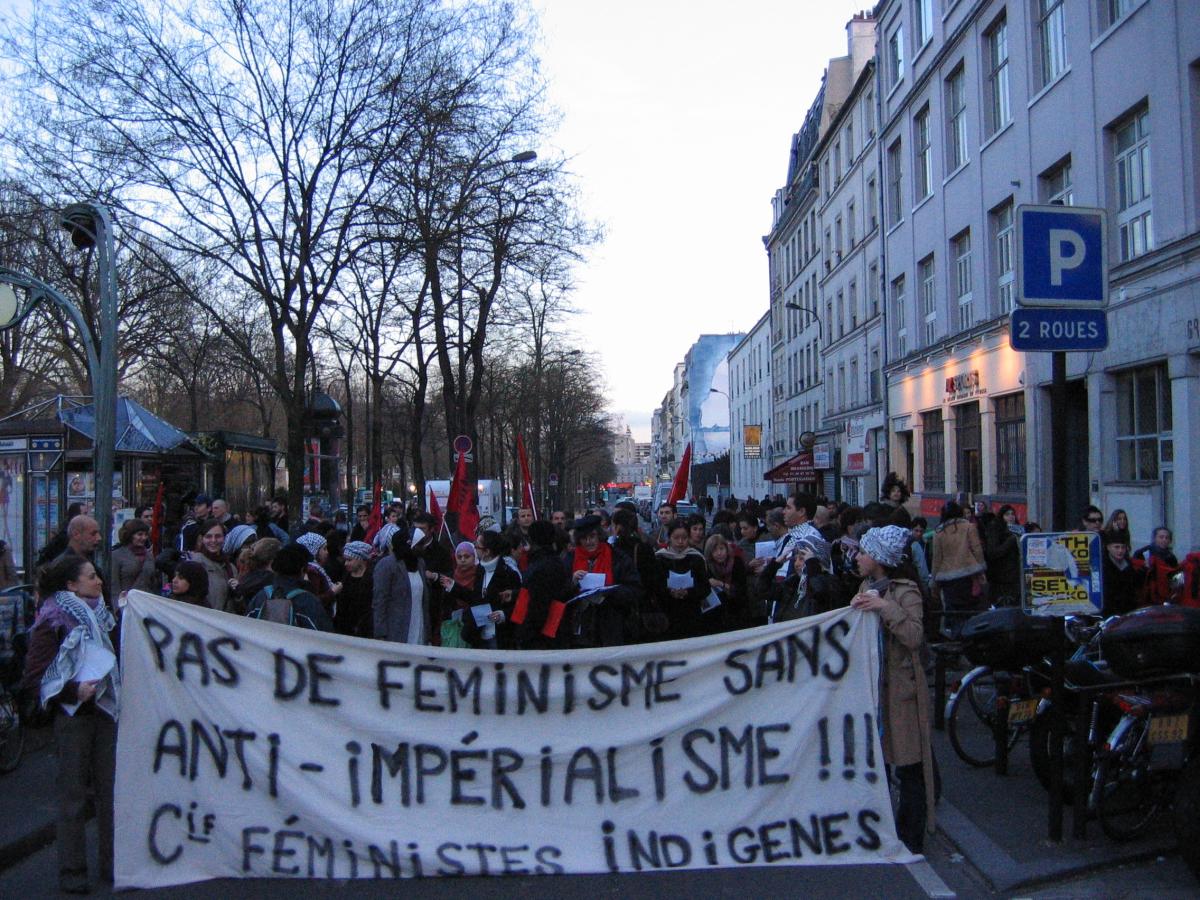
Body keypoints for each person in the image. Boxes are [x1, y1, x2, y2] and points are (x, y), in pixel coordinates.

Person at [20, 555, 120, 892]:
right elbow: (34, 678)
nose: (99, 582)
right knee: (73, 796)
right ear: (71, 585)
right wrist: (72, 690)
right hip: (72, 717)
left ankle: (113, 865)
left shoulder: (105, 617)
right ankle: (72, 872)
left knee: (110, 795)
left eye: (98, 576)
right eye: (91, 577)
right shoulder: (52, 619)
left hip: (105, 714)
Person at [850, 525, 935, 854]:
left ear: (880, 559)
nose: (858, 558)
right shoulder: (865, 585)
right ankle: (882, 831)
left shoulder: (905, 591)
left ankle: (912, 835)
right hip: (873, 690)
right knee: (877, 765)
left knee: (910, 765)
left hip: (901, 691)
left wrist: (885, 608)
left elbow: (914, 636)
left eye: (864, 552)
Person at [563, 515, 640, 648]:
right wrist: (572, 582)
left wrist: (610, 592)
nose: (589, 542)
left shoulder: (618, 557)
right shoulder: (569, 559)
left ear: (599, 536)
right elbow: (559, 592)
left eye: (592, 536)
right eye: (584, 538)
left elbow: (634, 589)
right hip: (579, 626)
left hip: (611, 624)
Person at [246, 543, 333, 631]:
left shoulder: (260, 597)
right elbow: (325, 636)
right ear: (303, 570)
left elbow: (246, 629)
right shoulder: (309, 602)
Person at [931, 500, 987, 634]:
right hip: (969, 574)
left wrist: (934, 581)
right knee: (971, 609)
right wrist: (981, 569)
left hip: (948, 577)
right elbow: (977, 549)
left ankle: (957, 636)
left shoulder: (939, 532)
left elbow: (936, 558)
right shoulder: (969, 527)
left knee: (954, 611)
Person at [653, 518, 711, 641]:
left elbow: (705, 587)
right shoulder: (660, 558)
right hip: (667, 612)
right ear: (669, 538)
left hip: (691, 613)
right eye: (676, 538)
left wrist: (689, 592)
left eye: (684, 538)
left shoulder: (696, 557)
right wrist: (669, 591)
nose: (680, 542)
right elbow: (655, 585)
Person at [373, 529, 430, 645]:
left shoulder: (420, 564)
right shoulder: (387, 566)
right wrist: (381, 633)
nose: (423, 547)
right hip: (396, 632)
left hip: (418, 627)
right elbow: (380, 601)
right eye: (419, 544)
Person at [189, 519, 237, 613]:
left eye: (218, 536)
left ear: (224, 538)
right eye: (208, 536)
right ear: (202, 539)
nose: (213, 540)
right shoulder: (195, 563)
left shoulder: (231, 568)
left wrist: (238, 594)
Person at [704, 533, 748, 631]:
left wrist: (721, 584)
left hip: (738, 612)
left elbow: (741, 590)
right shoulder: (707, 567)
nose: (719, 553)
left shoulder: (736, 562)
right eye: (715, 550)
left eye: (721, 549)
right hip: (716, 615)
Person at [334, 541, 375, 638]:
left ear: (360, 560)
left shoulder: (371, 578)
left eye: (349, 560)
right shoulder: (346, 576)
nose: (346, 563)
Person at [110, 519, 159, 597]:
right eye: (140, 534)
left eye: (146, 534)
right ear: (130, 535)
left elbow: (153, 582)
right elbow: (114, 584)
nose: (144, 538)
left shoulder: (149, 556)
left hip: (146, 602)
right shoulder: (117, 555)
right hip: (126, 603)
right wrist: (118, 606)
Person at [1101, 538, 1145, 617]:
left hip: (1128, 609)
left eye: (1123, 547)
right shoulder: (1102, 565)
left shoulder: (1129, 564)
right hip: (1109, 610)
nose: (1120, 551)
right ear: (1108, 547)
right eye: (1116, 547)